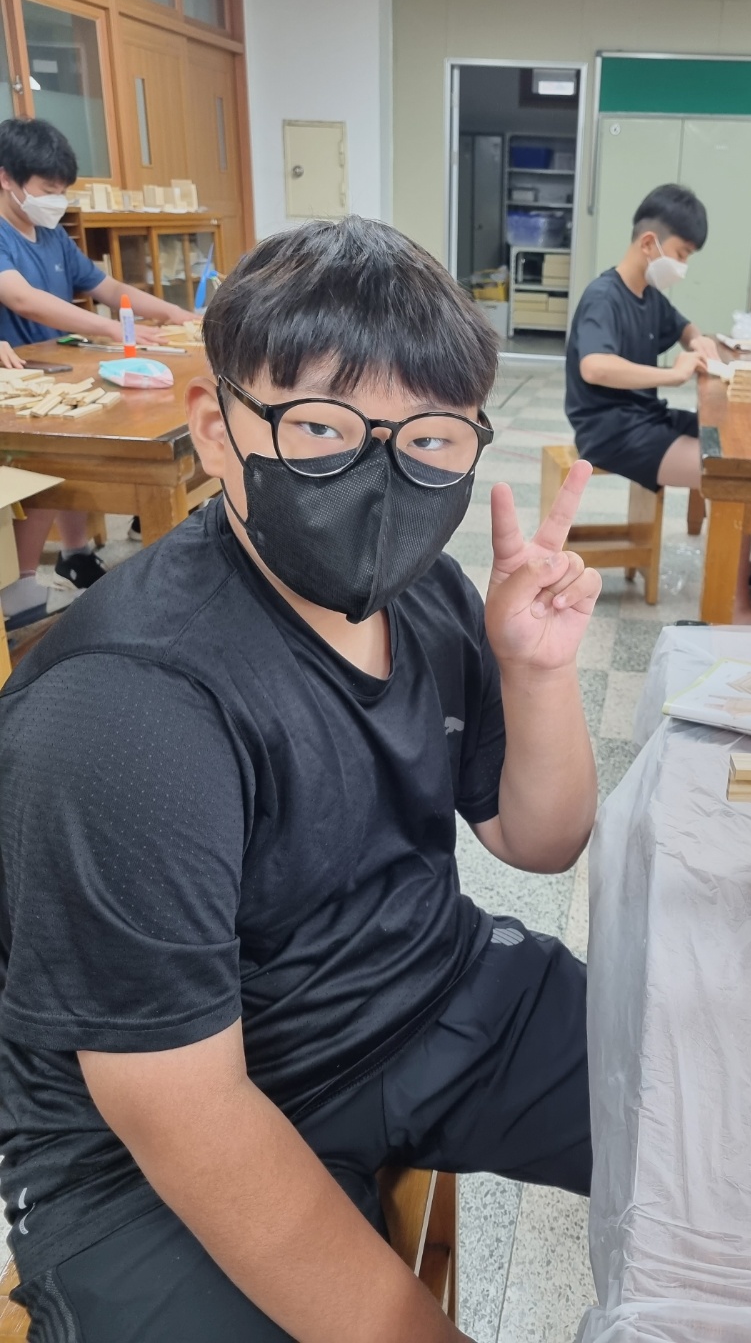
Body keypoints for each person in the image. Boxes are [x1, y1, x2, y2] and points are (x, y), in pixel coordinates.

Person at [0, 216, 599, 1342]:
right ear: (216, 430)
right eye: (320, 426)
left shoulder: (424, 592)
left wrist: (534, 670)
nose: (381, 477)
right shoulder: (126, 710)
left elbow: (543, 839)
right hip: (147, 1144)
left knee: (721, 1117)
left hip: (420, 989)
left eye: (430, 439)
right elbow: (185, 1113)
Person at [0, 117, 196, 627]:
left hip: (61, 366)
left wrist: (174, 314)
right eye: (47, 189)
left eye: (62, 190)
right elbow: (23, 299)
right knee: (47, 470)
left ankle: (76, 554)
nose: (56, 200)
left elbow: (108, 288)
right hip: (19, 381)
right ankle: (20, 588)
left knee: (82, 459)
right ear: (6, 178)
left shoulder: (51, 235)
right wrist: (113, 328)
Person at [565, 183, 751, 624]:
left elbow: (684, 327)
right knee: (734, 475)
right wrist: (672, 374)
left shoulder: (649, 296)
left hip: (644, 417)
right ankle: (735, 607)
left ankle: (737, 566)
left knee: (732, 443)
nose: (683, 266)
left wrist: (699, 340)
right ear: (649, 243)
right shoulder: (604, 296)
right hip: (610, 429)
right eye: (682, 253)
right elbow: (594, 366)